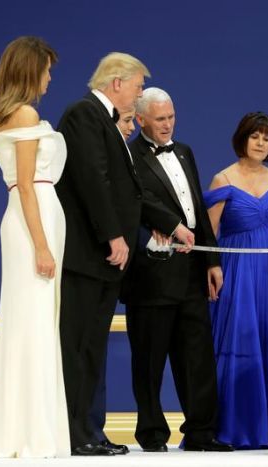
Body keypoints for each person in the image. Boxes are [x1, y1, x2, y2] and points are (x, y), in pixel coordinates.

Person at [56, 54, 195, 456]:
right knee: (79, 346)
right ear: (117, 83)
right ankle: (74, 432)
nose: (137, 95)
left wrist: (161, 227)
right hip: (89, 253)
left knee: (92, 348)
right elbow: (93, 181)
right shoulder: (84, 114)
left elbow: (125, 189)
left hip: (104, 258)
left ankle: (89, 431)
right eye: (136, 87)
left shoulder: (106, 122)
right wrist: (114, 235)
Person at [0, 36, 70, 458]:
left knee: (29, 321)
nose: (49, 78)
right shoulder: (25, 113)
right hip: (33, 221)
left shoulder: (8, 115)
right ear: (30, 70)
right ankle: (31, 432)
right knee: (32, 323)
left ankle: (21, 428)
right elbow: (27, 186)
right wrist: (42, 246)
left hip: (28, 219)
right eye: (46, 69)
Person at [122, 87, 233, 453]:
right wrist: (171, 224)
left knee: (197, 357)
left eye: (171, 117)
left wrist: (212, 260)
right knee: (150, 359)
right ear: (141, 121)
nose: (168, 125)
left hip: (190, 273)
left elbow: (198, 211)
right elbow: (139, 199)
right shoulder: (129, 156)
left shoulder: (184, 151)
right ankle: (152, 435)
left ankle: (201, 433)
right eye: (159, 119)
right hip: (152, 275)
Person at [204, 112, 268, 449]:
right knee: (239, 344)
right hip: (236, 273)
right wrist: (210, 268)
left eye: (267, 138)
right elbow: (210, 232)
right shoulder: (223, 180)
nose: (261, 143)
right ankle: (236, 428)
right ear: (242, 138)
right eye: (255, 136)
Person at [87, 104, 138, 446]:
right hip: (98, 260)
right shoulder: (105, 157)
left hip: (116, 265)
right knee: (89, 351)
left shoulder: (123, 155)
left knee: (97, 351)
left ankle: (95, 429)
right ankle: (88, 429)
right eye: (128, 120)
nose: (132, 126)